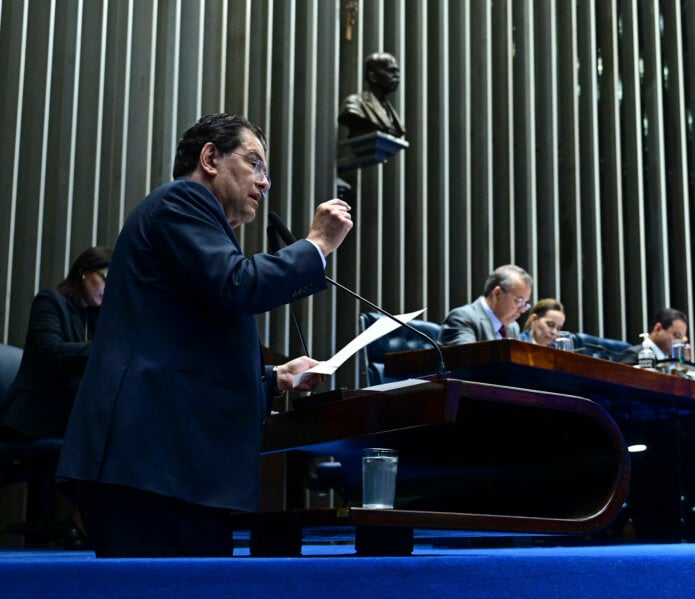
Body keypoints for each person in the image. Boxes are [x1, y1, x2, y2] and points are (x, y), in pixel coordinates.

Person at [55, 113, 353, 558]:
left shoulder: (197, 222)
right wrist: (316, 245)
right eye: (255, 164)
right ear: (210, 157)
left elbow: (187, 347)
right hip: (149, 465)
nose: (264, 182)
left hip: (171, 469)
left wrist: (275, 379)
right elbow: (238, 284)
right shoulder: (182, 200)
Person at [0, 246, 113, 441]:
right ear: (84, 272)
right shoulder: (50, 301)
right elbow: (52, 351)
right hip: (35, 416)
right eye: (106, 279)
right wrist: (107, 349)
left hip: (70, 415)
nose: (109, 289)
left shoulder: (96, 317)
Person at [439, 264, 533, 345]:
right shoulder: (463, 318)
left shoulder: (512, 327)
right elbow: (468, 361)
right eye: (519, 301)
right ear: (497, 294)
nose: (522, 310)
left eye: (525, 303)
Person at [338, 52, 406, 139]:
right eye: (391, 71)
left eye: (397, 72)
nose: (397, 76)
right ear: (372, 77)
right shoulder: (354, 103)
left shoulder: (391, 114)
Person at [618, 308, 690, 366]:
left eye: (682, 338)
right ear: (658, 329)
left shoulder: (671, 361)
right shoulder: (635, 355)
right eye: (677, 335)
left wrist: (683, 365)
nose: (679, 343)